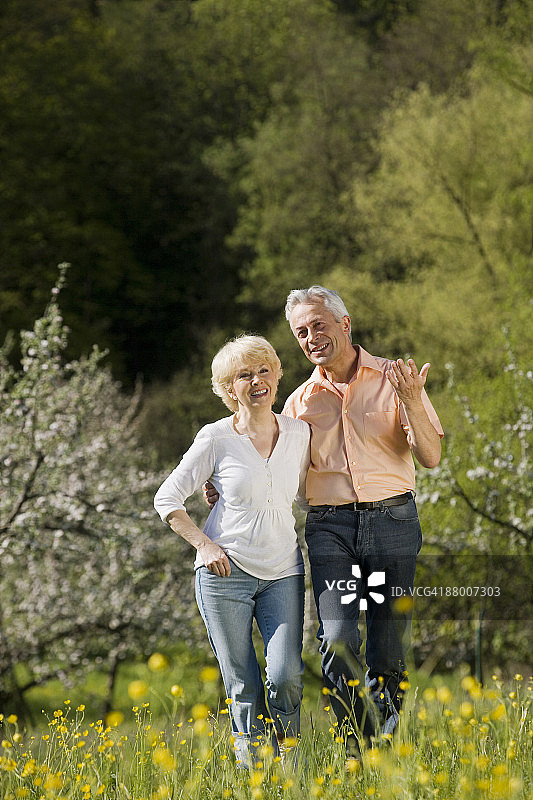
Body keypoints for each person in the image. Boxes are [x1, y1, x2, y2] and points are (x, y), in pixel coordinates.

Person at [282, 285, 443, 755]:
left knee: (388, 645)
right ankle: (357, 744)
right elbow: (275, 473)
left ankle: (383, 751)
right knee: (336, 636)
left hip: (392, 521)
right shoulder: (299, 403)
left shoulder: (395, 380)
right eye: (301, 332)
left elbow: (431, 456)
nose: (311, 337)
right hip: (330, 528)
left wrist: (412, 399)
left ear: (344, 324)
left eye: (318, 325)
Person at [154, 335, 310, 768]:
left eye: (264, 371)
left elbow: (306, 496)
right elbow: (167, 499)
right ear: (228, 390)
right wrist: (203, 544)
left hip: (284, 571)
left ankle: (291, 768)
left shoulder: (300, 433)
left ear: (277, 376)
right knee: (242, 683)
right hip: (225, 575)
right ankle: (255, 774)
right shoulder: (216, 438)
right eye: (244, 376)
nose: (257, 381)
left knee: (286, 676)